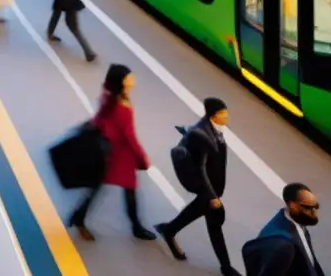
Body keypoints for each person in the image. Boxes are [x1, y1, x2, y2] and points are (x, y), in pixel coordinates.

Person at [68, 63, 157, 242]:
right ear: (121, 82)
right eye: (129, 77)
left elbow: (100, 117)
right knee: (123, 188)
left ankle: (79, 216)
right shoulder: (122, 106)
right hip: (118, 153)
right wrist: (143, 159)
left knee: (100, 186)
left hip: (109, 149)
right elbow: (130, 137)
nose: (133, 79)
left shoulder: (109, 96)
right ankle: (135, 227)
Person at [158, 98, 240, 276]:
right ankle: (225, 266)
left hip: (212, 187)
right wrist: (212, 196)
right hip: (207, 188)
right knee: (214, 221)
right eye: (224, 114)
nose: (227, 117)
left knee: (212, 221)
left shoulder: (212, 129)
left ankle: (169, 230)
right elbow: (202, 169)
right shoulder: (202, 134)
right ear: (214, 115)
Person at [243, 183, 322, 276]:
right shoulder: (282, 245)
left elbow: (310, 259)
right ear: (293, 205)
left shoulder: (297, 219)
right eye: (308, 208)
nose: (314, 212)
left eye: (316, 206)